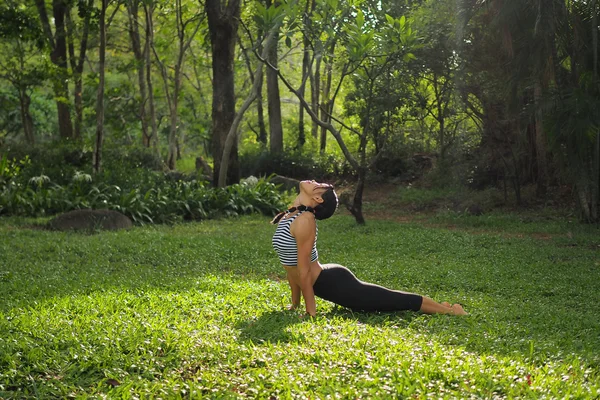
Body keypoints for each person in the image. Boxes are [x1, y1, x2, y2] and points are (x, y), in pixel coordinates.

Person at [271, 180, 468, 317]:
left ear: (319, 199)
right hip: (326, 276)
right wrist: (294, 305)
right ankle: (442, 307)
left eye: (319, 185)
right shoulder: (292, 215)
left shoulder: (305, 220)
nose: (314, 181)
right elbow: (291, 268)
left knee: (392, 300)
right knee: (386, 298)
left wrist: (310, 312)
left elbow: (304, 271)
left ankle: (450, 311)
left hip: (335, 284)